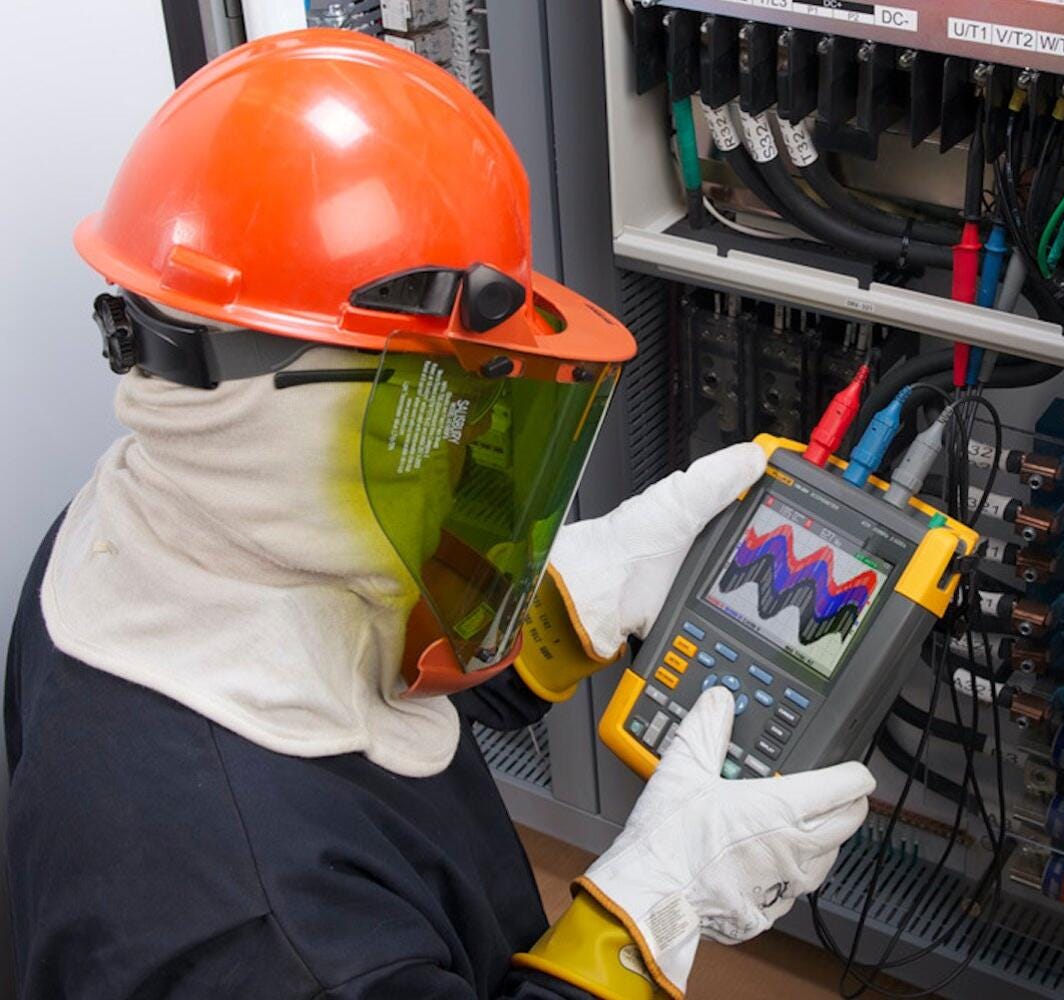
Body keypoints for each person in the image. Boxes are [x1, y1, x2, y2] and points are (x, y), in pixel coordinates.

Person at [4, 30, 875, 1000]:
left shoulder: (119, 539)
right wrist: (651, 907)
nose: (471, 446)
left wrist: (567, 600)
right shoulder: (266, 941)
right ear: (296, 401)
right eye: (445, 402)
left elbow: (349, 709)